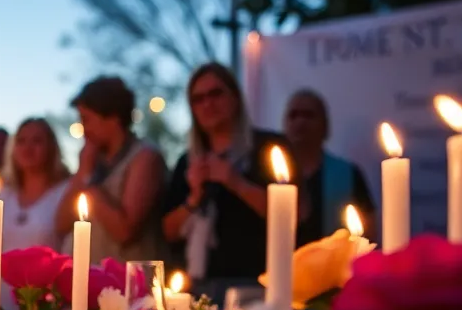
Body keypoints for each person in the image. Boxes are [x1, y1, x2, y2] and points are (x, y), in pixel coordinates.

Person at [163, 63, 294, 293]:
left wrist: (235, 182)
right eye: (198, 99)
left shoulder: (269, 148)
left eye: (216, 93)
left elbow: (292, 214)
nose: (208, 104)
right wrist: (194, 197)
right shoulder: (189, 161)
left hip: (259, 283)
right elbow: (169, 231)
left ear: (235, 98)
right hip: (198, 285)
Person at [55, 76, 166, 263]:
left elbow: (124, 231)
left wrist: (89, 182)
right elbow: (61, 223)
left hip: (126, 277)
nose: (83, 129)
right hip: (88, 276)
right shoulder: (92, 161)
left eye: (86, 120)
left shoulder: (145, 157)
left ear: (113, 119)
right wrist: (83, 172)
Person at [282, 89, 376, 246]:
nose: (300, 122)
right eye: (293, 115)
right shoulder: (270, 175)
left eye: (309, 115)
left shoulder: (347, 174)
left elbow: (369, 232)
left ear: (325, 125)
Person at [0, 117, 71, 252]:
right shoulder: (5, 194)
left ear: (51, 147)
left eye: (37, 141)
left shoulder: (65, 192)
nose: (28, 148)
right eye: (21, 141)